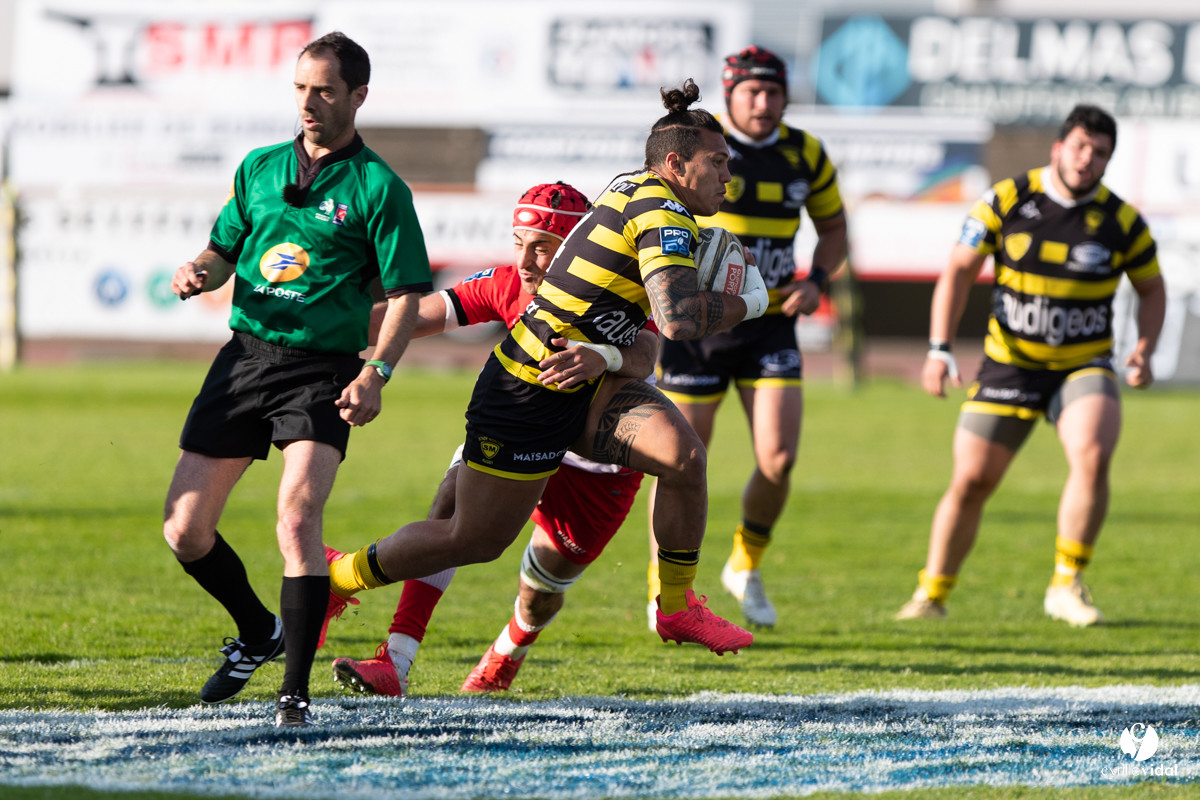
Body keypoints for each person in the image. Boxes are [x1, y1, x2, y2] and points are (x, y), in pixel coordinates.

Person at [324, 79, 770, 659]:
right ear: (675, 163)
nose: (726, 176)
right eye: (717, 162)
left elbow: (650, 344)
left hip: (588, 391)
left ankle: (677, 606)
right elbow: (680, 319)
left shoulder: (636, 187)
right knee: (472, 538)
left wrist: (607, 353)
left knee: (685, 459)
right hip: (526, 390)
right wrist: (750, 301)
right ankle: (335, 579)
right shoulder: (664, 215)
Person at [162, 31, 432, 728]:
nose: (309, 103)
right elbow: (223, 250)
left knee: (297, 517)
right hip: (246, 360)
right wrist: (200, 271)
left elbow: (404, 296)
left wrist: (377, 371)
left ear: (357, 97)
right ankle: (259, 632)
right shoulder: (258, 167)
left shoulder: (380, 187)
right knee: (184, 531)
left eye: (325, 91)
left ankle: (294, 693)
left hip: (324, 370)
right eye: (300, 89)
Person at [328, 182, 658, 696]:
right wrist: (326, 328)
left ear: (576, 247)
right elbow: (417, 316)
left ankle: (508, 652)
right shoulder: (508, 282)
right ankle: (395, 661)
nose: (526, 260)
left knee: (541, 592)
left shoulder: (618, 287)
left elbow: (646, 356)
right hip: (520, 429)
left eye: (542, 246)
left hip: (596, 468)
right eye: (518, 242)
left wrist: (604, 357)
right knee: (451, 513)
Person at [895, 104, 1166, 626]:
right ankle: (931, 594)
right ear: (1059, 147)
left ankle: (1067, 583)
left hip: (1082, 365)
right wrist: (939, 347)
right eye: (1082, 146)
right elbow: (957, 271)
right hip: (1009, 364)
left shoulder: (1122, 221)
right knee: (972, 480)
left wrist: (1145, 348)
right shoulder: (1006, 199)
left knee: (1092, 452)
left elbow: (1152, 288)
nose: (1089, 159)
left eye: (1101, 153)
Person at [648, 46, 848, 628]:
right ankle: (666, 587)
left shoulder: (805, 152)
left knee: (780, 459)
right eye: (752, 92)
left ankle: (745, 564)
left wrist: (816, 281)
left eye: (775, 92)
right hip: (699, 325)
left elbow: (834, 230)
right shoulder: (693, 146)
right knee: (680, 461)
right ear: (728, 93)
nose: (764, 103)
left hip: (771, 321)